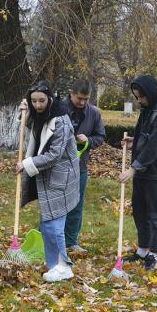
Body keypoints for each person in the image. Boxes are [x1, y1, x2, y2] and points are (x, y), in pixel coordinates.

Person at [16, 82, 80, 283]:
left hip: (62, 177)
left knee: (54, 225)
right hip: (47, 176)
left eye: (41, 101)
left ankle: (64, 267)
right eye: (34, 101)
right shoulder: (39, 113)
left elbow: (54, 155)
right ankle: (53, 264)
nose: (38, 105)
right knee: (47, 223)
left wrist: (27, 164)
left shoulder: (60, 120)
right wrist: (23, 113)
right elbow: (31, 127)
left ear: (50, 98)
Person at [119, 75, 157, 271]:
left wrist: (133, 168)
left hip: (156, 171)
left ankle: (153, 253)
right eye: (137, 97)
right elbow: (147, 136)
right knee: (139, 210)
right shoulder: (148, 109)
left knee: (153, 213)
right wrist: (134, 141)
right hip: (142, 169)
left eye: (141, 97)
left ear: (150, 93)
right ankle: (142, 250)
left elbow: (155, 146)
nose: (139, 101)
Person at [58, 79, 105, 253]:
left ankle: (71, 241)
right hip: (57, 165)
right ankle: (49, 236)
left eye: (86, 99)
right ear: (71, 93)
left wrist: (89, 140)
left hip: (80, 166)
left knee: (76, 204)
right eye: (79, 98)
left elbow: (100, 136)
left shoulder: (94, 113)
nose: (82, 102)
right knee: (55, 203)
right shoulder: (58, 109)